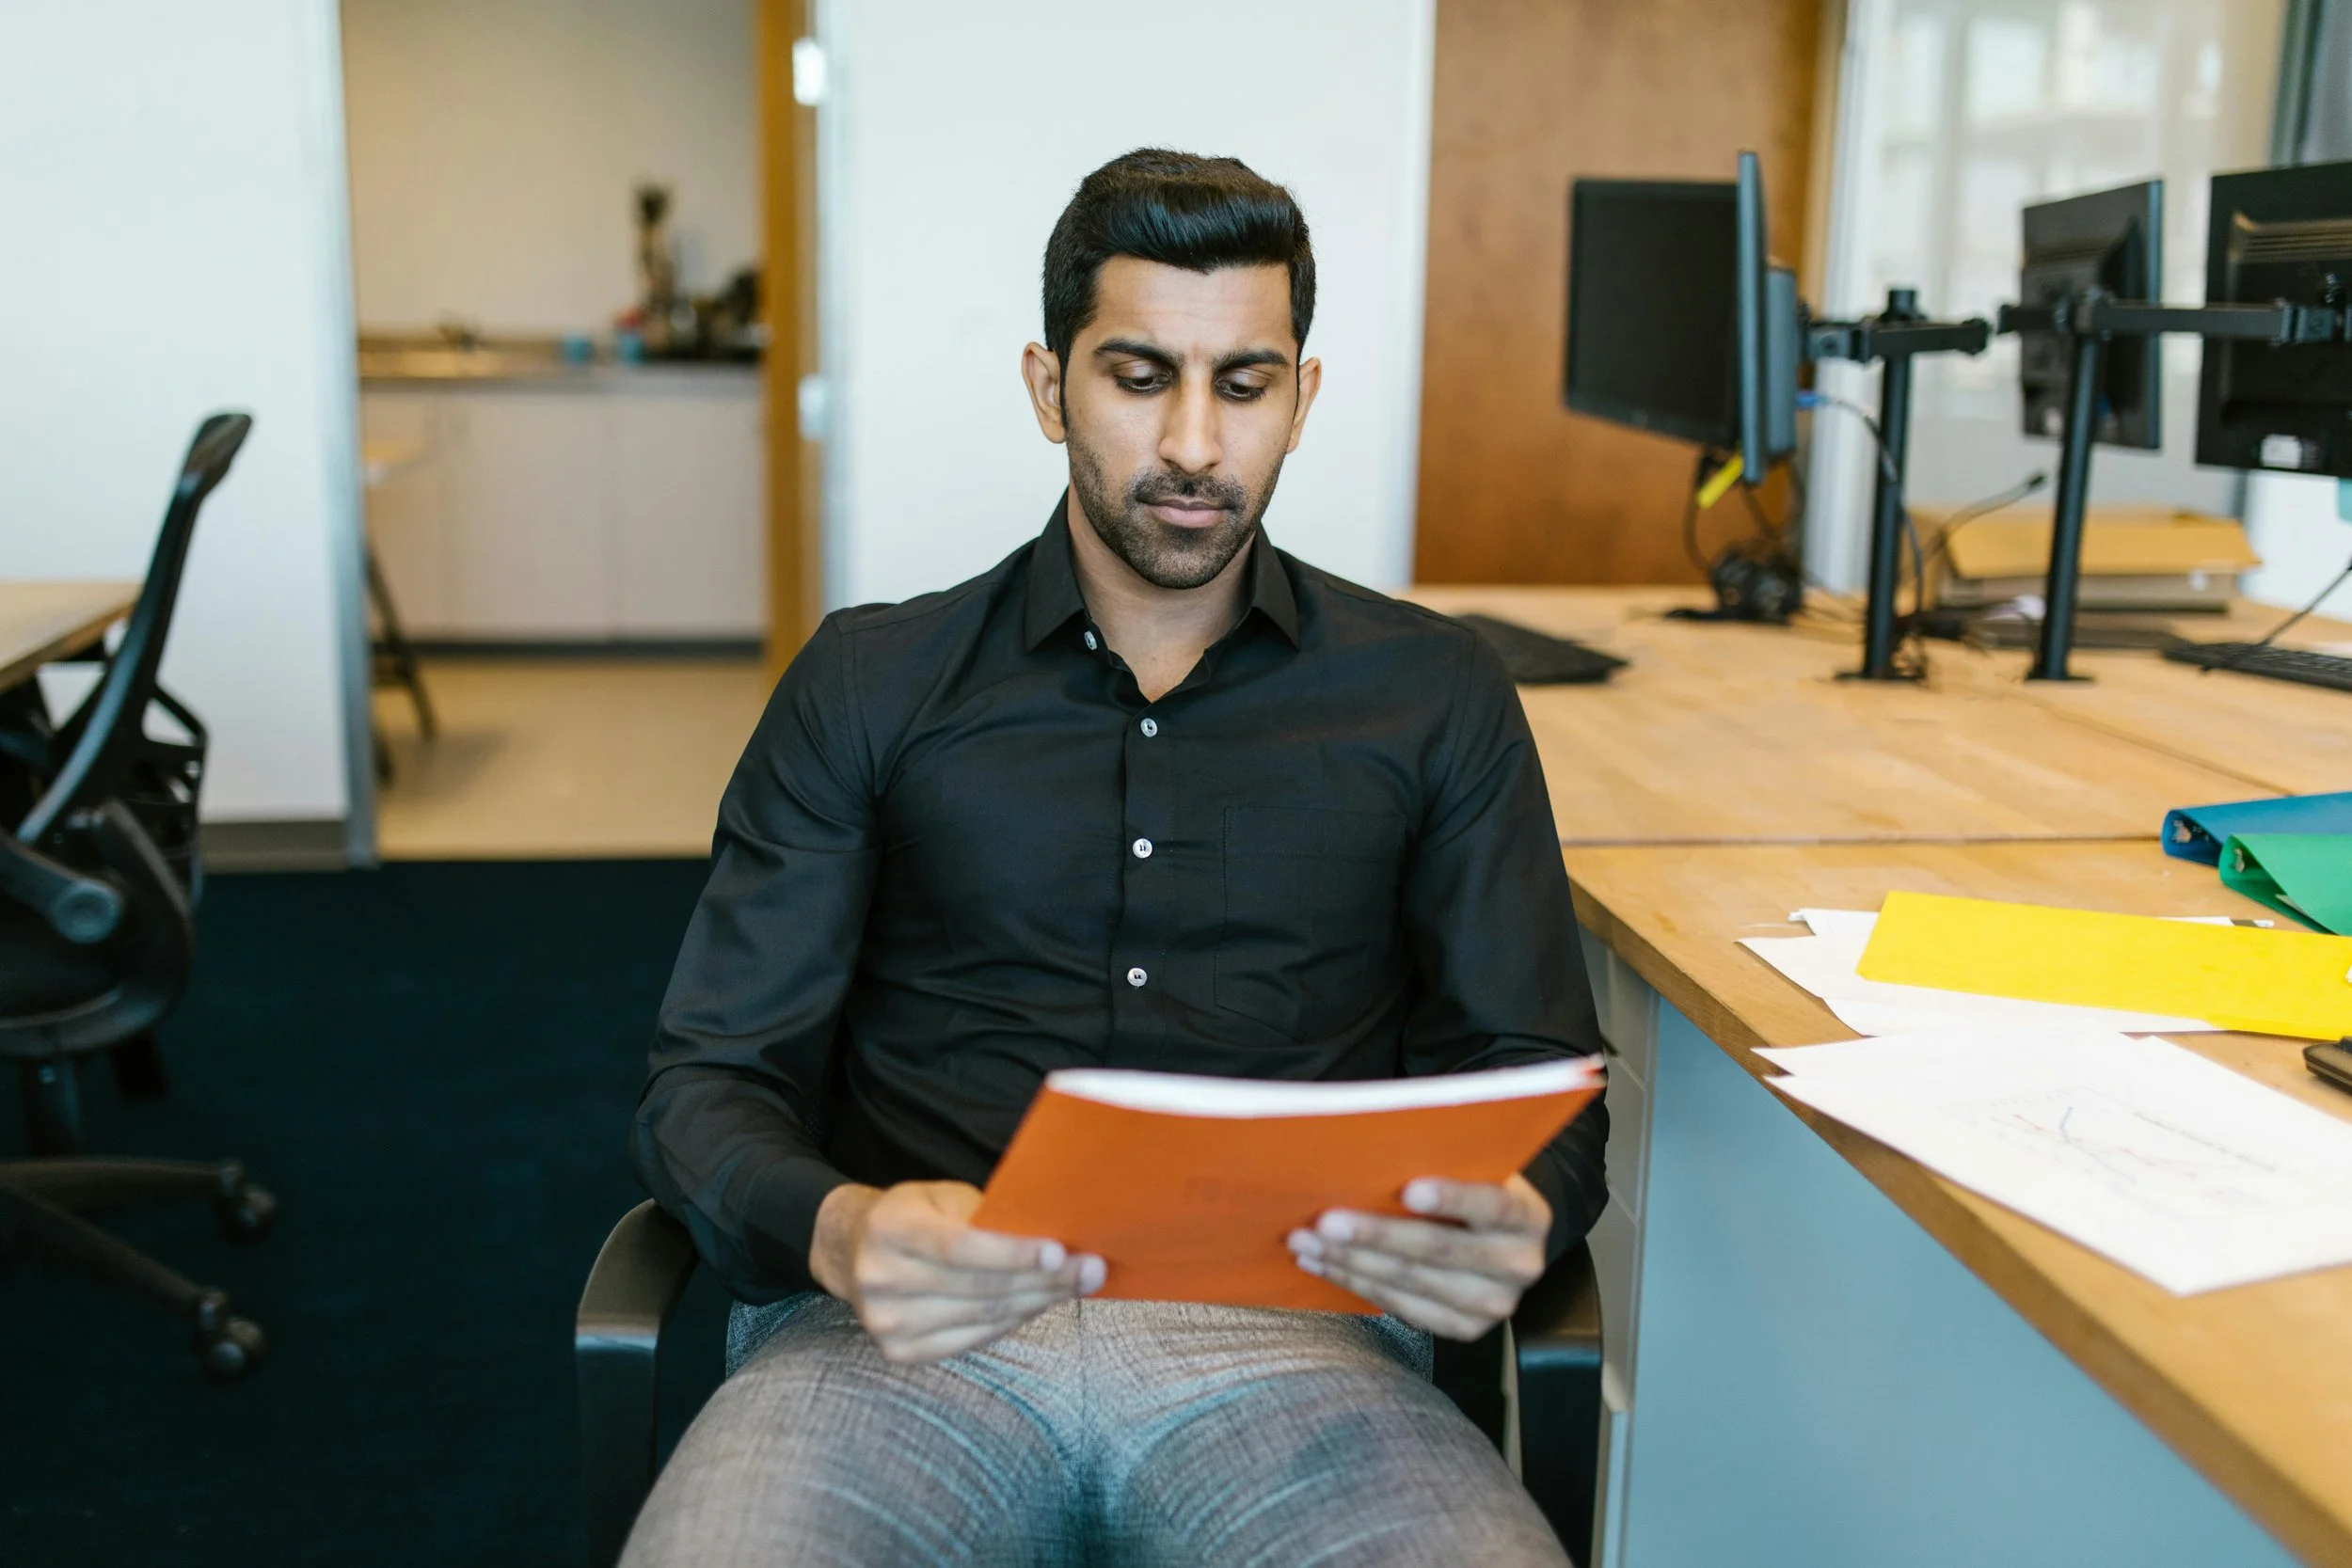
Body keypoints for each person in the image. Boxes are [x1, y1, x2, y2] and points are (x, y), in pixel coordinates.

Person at [623, 148, 1608, 1567]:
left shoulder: (1435, 695)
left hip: (1297, 1354)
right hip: (899, 1343)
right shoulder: (868, 681)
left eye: (1245, 383)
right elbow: (702, 1083)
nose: (1197, 445)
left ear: (1303, 398)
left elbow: (1543, 1075)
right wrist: (839, 1229)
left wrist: (1521, 1210)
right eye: (1140, 377)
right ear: (1048, 387)